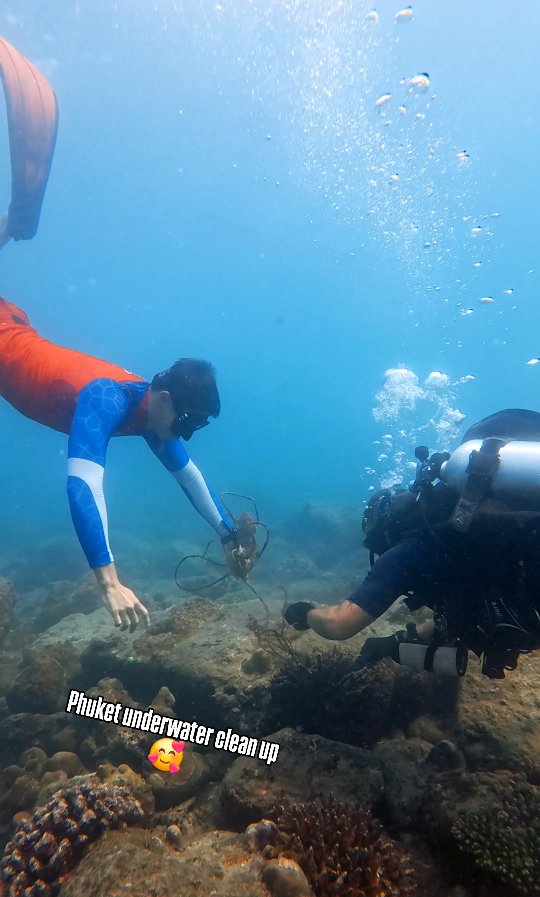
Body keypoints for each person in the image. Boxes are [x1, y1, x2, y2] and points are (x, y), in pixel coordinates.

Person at [0, 40, 243, 630]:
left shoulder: (155, 413)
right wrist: (108, 582)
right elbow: (83, 488)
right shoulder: (108, 399)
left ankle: (10, 226)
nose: (182, 436)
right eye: (185, 423)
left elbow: (193, 480)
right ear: (163, 398)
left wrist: (231, 536)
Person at [284, 409, 540, 680]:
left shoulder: (408, 551)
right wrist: (394, 645)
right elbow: (455, 613)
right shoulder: (451, 533)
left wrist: (308, 613)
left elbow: (339, 624)